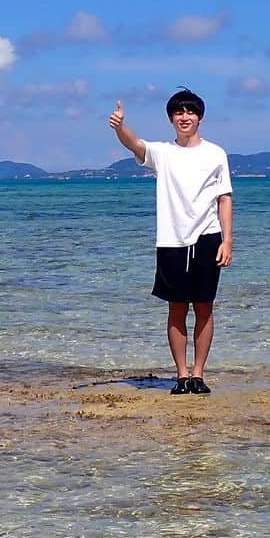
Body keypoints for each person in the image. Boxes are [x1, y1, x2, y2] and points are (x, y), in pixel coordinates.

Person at [109, 88, 233, 395]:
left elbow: (224, 199)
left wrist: (227, 241)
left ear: (200, 117)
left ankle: (199, 374)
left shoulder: (216, 154)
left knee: (204, 307)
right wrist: (120, 127)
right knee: (177, 309)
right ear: (171, 118)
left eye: (190, 111)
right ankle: (181, 376)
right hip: (171, 241)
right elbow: (134, 145)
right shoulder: (163, 153)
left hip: (207, 238)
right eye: (179, 112)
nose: (185, 117)